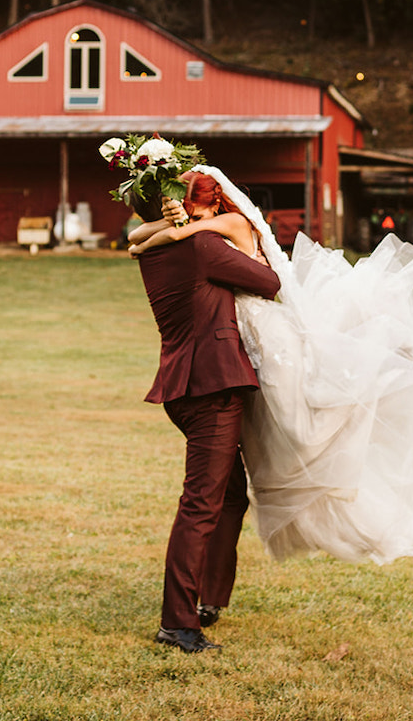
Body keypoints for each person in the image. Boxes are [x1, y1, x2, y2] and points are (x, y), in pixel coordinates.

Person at [134, 165, 413, 567]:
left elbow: (194, 241)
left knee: (303, 427)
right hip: (244, 346)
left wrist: (172, 230)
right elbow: (144, 234)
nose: (192, 221)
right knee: (267, 448)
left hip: (266, 333)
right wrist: (156, 232)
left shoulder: (230, 222)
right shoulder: (209, 230)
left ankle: (357, 414)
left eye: (196, 214)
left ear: (214, 203)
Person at [128, 184, 281, 654]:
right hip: (212, 388)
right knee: (201, 504)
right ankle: (178, 624)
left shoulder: (153, 250)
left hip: (183, 384)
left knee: (231, 495)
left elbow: (142, 236)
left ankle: (208, 599)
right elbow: (271, 284)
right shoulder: (203, 246)